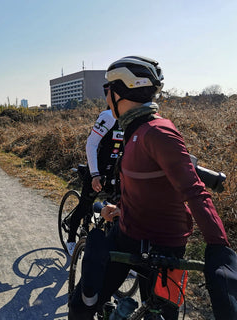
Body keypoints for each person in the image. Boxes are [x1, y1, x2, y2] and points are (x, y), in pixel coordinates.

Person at [68, 56, 231, 320]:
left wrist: (221, 252)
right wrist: (120, 208)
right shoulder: (135, 130)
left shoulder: (157, 132)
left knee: (82, 309)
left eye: (107, 91)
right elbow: (149, 185)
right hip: (135, 231)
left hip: (159, 247)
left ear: (120, 92)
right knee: (91, 302)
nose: (106, 98)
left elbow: (195, 191)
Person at [66, 107, 123, 256]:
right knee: (84, 207)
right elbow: (91, 144)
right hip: (97, 171)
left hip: (115, 173)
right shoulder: (108, 116)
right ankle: (71, 241)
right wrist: (95, 174)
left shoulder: (132, 118)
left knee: (119, 209)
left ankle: (119, 252)